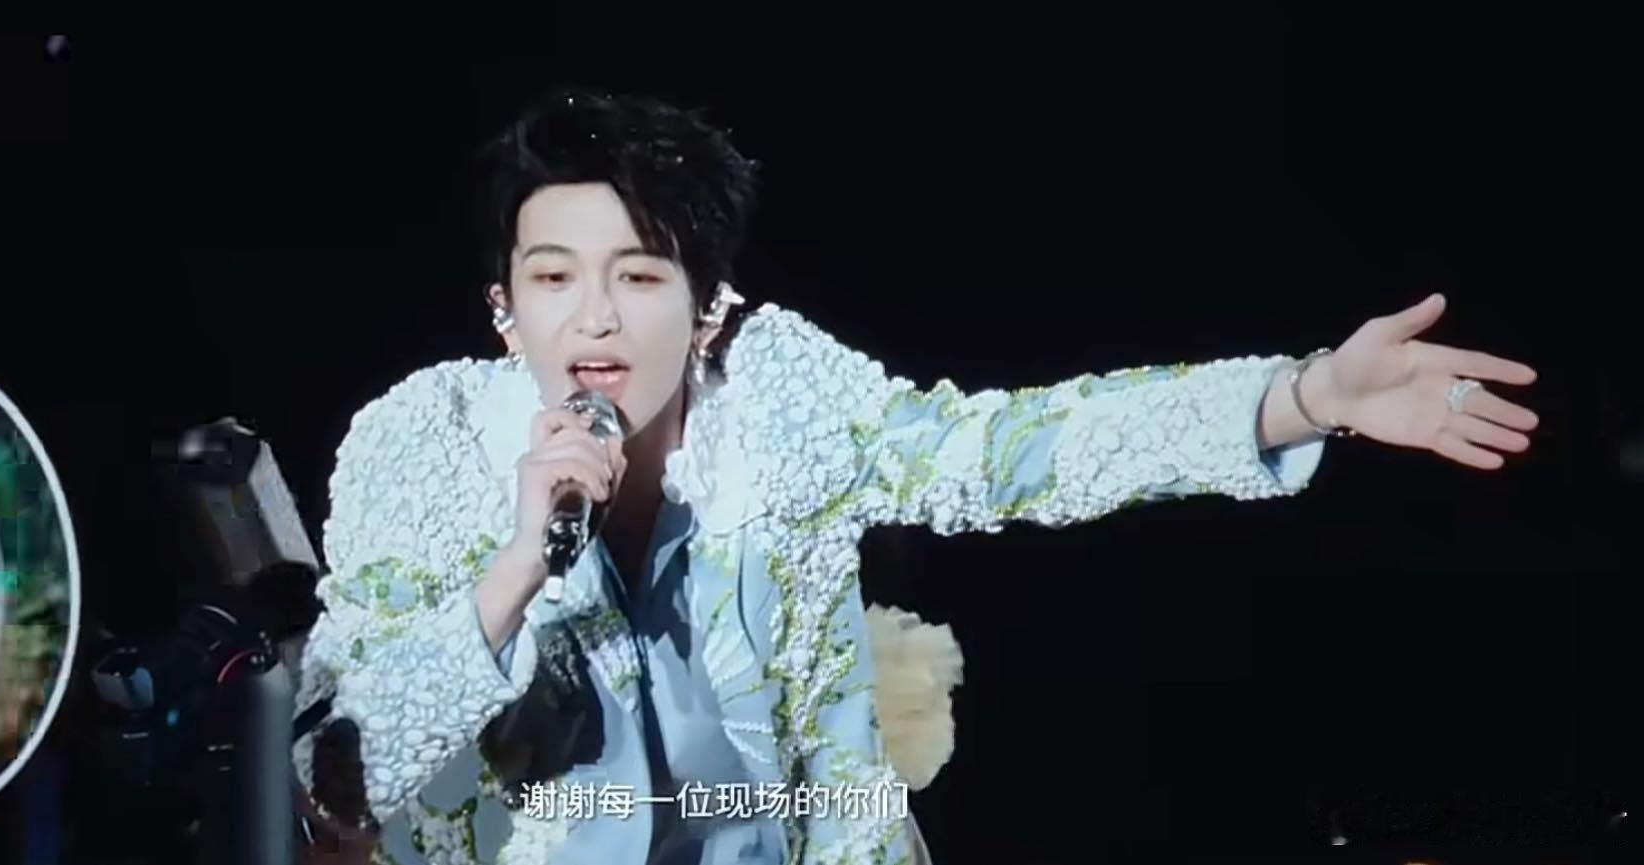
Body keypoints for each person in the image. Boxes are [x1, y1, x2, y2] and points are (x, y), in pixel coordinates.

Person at [289, 89, 1540, 865]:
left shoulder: (781, 395)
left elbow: (1006, 451)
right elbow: (333, 774)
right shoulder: (424, 441)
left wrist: (1305, 395)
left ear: (708, 308)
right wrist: (517, 565)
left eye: (639, 274)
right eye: (554, 278)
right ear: (503, 309)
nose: (593, 317)